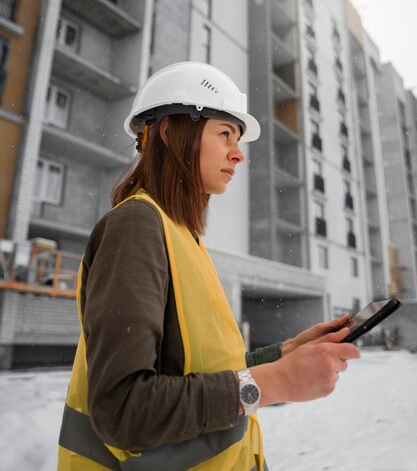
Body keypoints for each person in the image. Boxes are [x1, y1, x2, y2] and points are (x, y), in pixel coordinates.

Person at [58, 61, 359, 471]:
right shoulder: (136, 227)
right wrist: (275, 383)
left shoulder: (183, 236)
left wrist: (285, 353)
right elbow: (123, 410)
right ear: (170, 132)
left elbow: (202, 370)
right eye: (225, 134)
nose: (238, 154)